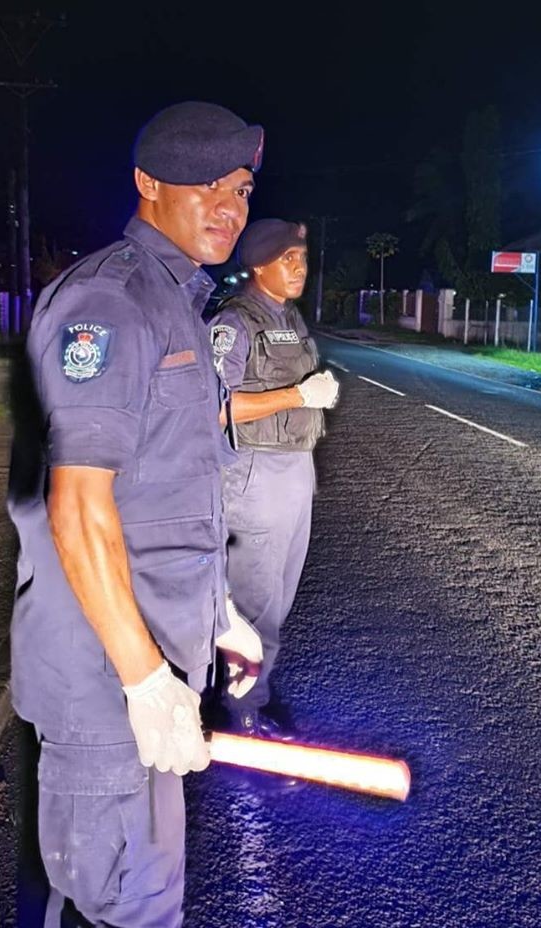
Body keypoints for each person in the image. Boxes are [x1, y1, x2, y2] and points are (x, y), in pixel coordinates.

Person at [7, 101, 266, 928]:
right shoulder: (111, 305)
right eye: (203, 183)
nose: (228, 205)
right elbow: (78, 506)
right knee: (129, 907)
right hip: (107, 679)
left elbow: (165, 491)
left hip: (145, 661)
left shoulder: (176, 299)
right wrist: (147, 682)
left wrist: (216, 610)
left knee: (107, 899)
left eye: (242, 186)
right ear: (147, 184)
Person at [207, 218, 339, 741]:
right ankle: (240, 716)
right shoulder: (234, 323)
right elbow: (214, 407)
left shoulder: (289, 317)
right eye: (288, 259)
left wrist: (312, 395)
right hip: (254, 475)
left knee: (278, 598)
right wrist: (296, 396)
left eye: (302, 258)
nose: (299, 268)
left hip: (294, 470)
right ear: (258, 264)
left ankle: (251, 692)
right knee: (254, 602)